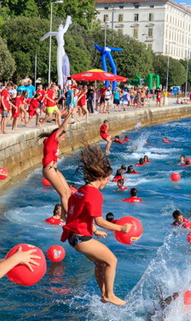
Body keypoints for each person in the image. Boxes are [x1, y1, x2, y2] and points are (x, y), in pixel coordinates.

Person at [61, 145, 131, 305]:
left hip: (74, 238)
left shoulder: (81, 191)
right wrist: (120, 228)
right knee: (112, 261)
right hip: (82, 239)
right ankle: (110, 295)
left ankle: (103, 294)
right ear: (100, 177)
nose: (107, 182)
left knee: (100, 262)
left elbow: (77, 215)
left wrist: (94, 230)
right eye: (107, 179)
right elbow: (99, 220)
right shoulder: (94, 194)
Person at [40, 111, 72, 218]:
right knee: (63, 194)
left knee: (68, 192)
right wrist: (70, 115)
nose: (64, 139)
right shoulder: (51, 141)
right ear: (57, 136)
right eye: (62, 137)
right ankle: (69, 218)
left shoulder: (55, 143)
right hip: (49, 169)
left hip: (54, 170)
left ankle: (63, 217)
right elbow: (62, 126)